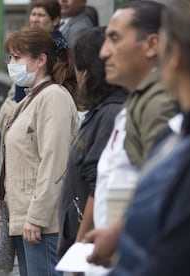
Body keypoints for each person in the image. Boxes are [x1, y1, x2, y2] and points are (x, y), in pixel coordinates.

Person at [97, 0, 190, 274]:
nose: (104, 53)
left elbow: (177, 257)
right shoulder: (188, 136)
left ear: (172, 52)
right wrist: (121, 234)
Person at [82, 0, 178, 271]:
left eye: (114, 38)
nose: (103, 53)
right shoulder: (137, 100)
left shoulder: (158, 105)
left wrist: (119, 235)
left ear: (152, 45)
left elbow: (166, 191)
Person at [1, 26, 79, 276]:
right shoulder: (29, 99)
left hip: (42, 224)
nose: (11, 64)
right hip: (26, 220)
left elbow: (55, 161)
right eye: (10, 58)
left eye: (17, 58)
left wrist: (37, 217)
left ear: (41, 60)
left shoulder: (53, 97)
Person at [57, 27, 127, 261]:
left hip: (87, 249)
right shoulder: (101, 112)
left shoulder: (110, 115)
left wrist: (79, 251)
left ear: (86, 72)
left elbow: (97, 186)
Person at [0, 0, 79, 132]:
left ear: (56, 20)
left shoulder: (56, 47)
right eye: (33, 14)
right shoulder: (31, 43)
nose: (35, 19)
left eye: (41, 15)